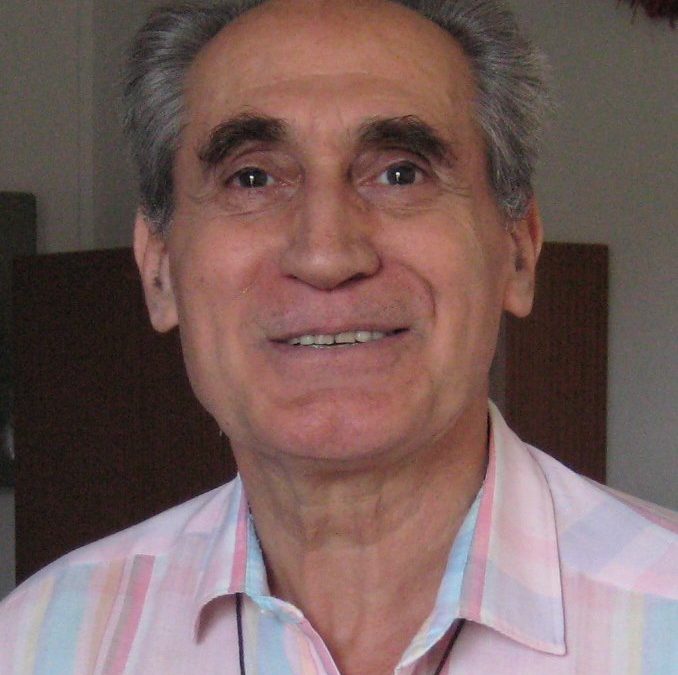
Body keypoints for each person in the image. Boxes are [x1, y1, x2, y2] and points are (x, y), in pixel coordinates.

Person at [1, 0, 676, 673]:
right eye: (252, 178)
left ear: (519, 252)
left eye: (401, 173)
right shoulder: (40, 643)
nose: (326, 254)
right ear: (158, 270)